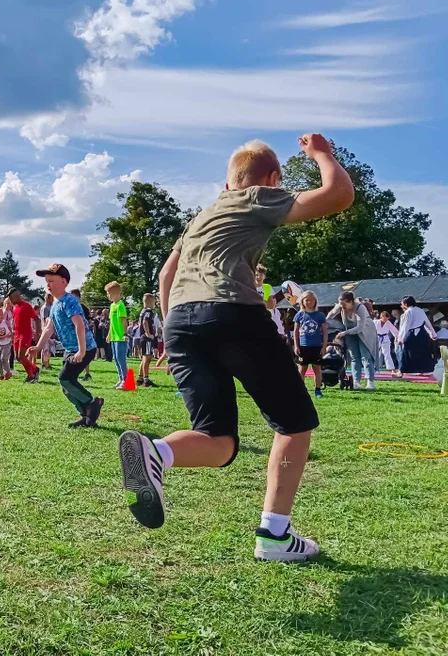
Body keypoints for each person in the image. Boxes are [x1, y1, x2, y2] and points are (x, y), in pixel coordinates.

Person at [118, 134, 353, 562]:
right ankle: (274, 535)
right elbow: (338, 195)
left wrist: (173, 326)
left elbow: (167, 272)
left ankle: (158, 452)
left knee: (219, 441)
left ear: (226, 184)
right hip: (233, 312)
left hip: (182, 323)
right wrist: (321, 153)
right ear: (271, 179)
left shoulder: (201, 217)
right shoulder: (257, 198)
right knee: (294, 425)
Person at [28, 264, 102, 429]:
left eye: (51, 281)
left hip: (85, 348)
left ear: (64, 282)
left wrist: (82, 351)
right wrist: (38, 347)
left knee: (65, 379)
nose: (48, 284)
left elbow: (79, 325)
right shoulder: (55, 304)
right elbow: (49, 328)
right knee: (66, 387)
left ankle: (92, 403)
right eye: (46, 281)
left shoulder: (70, 301)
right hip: (71, 350)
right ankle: (87, 417)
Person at [327, 291, 379, 390]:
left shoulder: (360, 308)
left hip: (365, 331)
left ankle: (370, 382)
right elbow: (332, 314)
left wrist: (345, 333)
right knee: (354, 356)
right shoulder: (341, 306)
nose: (342, 306)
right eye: (340, 304)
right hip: (349, 331)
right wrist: (324, 323)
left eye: (344, 304)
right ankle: (356, 381)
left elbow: (360, 327)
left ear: (351, 302)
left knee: (366, 356)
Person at [293, 290, 328, 398]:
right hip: (303, 347)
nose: (309, 302)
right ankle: (300, 390)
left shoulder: (320, 315)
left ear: (315, 301)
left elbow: (325, 331)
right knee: (301, 370)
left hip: (316, 346)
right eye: (307, 300)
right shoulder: (299, 315)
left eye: (311, 300)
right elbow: (296, 331)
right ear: (302, 301)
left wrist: (324, 346)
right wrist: (296, 346)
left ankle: (317, 389)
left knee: (317, 369)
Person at [7, 289, 41, 383]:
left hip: (25, 334)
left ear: (17, 296)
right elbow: (15, 320)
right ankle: (34, 369)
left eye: (12, 298)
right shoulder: (14, 307)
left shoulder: (26, 306)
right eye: (10, 298)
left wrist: (38, 333)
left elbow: (37, 319)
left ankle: (31, 375)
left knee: (21, 356)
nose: (11, 300)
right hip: (17, 334)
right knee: (18, 357)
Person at [397, 295, 438, 374]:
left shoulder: (408, 312)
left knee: (409, 353)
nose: (401, 305)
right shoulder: (420, 310)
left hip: (412, 335)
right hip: (422, 334)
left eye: (402, 303)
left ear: (406, 304)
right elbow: (427, 323)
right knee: (423, 352)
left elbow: (405, 326)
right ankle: (425, 370)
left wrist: (400, 338)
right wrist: (433, 333)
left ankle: (410, 370)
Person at [106, 282, 129, 389]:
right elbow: (111, 323)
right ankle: (120, 379)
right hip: (114, 337)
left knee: (121, 359)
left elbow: (124, 321)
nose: (108, 295)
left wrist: (125, 333)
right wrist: (109, 335)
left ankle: (126, 380)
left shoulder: (120, 305)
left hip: (120, 337)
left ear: (115, 293)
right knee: (115, 358)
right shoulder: (112, 306)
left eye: (108, 293)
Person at [138, 293, 158, 387]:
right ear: (150, 301)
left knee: (144, 358)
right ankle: (146, 380)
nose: (155, 303)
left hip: (143, 337)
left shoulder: (143, 311)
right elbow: (145, 321)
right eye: (154, 301)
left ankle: (140, 378)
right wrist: (148, 333)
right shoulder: (148, 311)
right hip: (146, 338)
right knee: (147, 358)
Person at [40, 292, 55, 369]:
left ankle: (45, 363)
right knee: (46, 348)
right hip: (46, 330)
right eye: (52, 298)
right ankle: (46, 364)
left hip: (47, 330)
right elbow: (46, 319)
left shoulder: (48, 307)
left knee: (46, 348)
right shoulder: (46, 308)